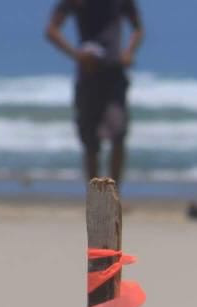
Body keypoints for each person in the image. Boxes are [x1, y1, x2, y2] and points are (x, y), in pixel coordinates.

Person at [45, 0, 143, 186]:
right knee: (90, 141)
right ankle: (94, 196)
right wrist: (77, 55)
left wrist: (129, 52)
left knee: (118, 132)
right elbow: (51, 30)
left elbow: (138, 29)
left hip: (114, 72)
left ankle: (115, 195)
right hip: (88, 73)